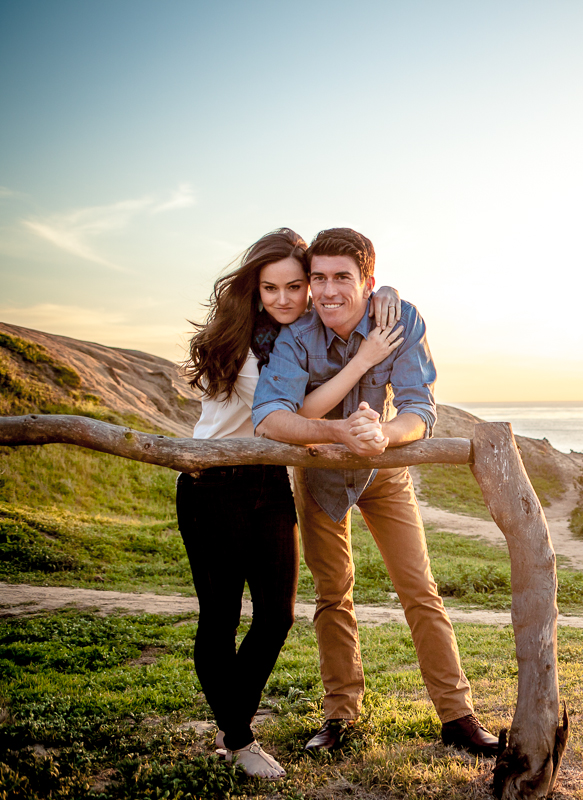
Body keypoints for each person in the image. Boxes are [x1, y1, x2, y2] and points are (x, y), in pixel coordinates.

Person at [251, 227, 500, 757]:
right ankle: (340, 716)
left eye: (342, 278)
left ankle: (457, 717)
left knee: (419, 589)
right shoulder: (296, 334)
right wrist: (339, 432)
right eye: (319, 278)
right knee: (332, 594)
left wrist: (382, 435)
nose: (328, 291)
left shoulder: (400, 318)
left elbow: (419, 408)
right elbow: (270, 417)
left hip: (384, 469)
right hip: (318, 473)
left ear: (368, 282)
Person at [179, 228, 404, 779]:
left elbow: (348, 288)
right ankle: (239, 738)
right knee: (221, 617)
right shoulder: (242, 344)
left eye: (295, 286)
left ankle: (230, 726)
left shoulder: (299, 337)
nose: (284, 298)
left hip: (268, 482)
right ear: (254, 290)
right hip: (213, 484)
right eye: (270, 288)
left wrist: (384, 293)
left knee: (277, 616)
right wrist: (362, 363)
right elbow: (293, 412)